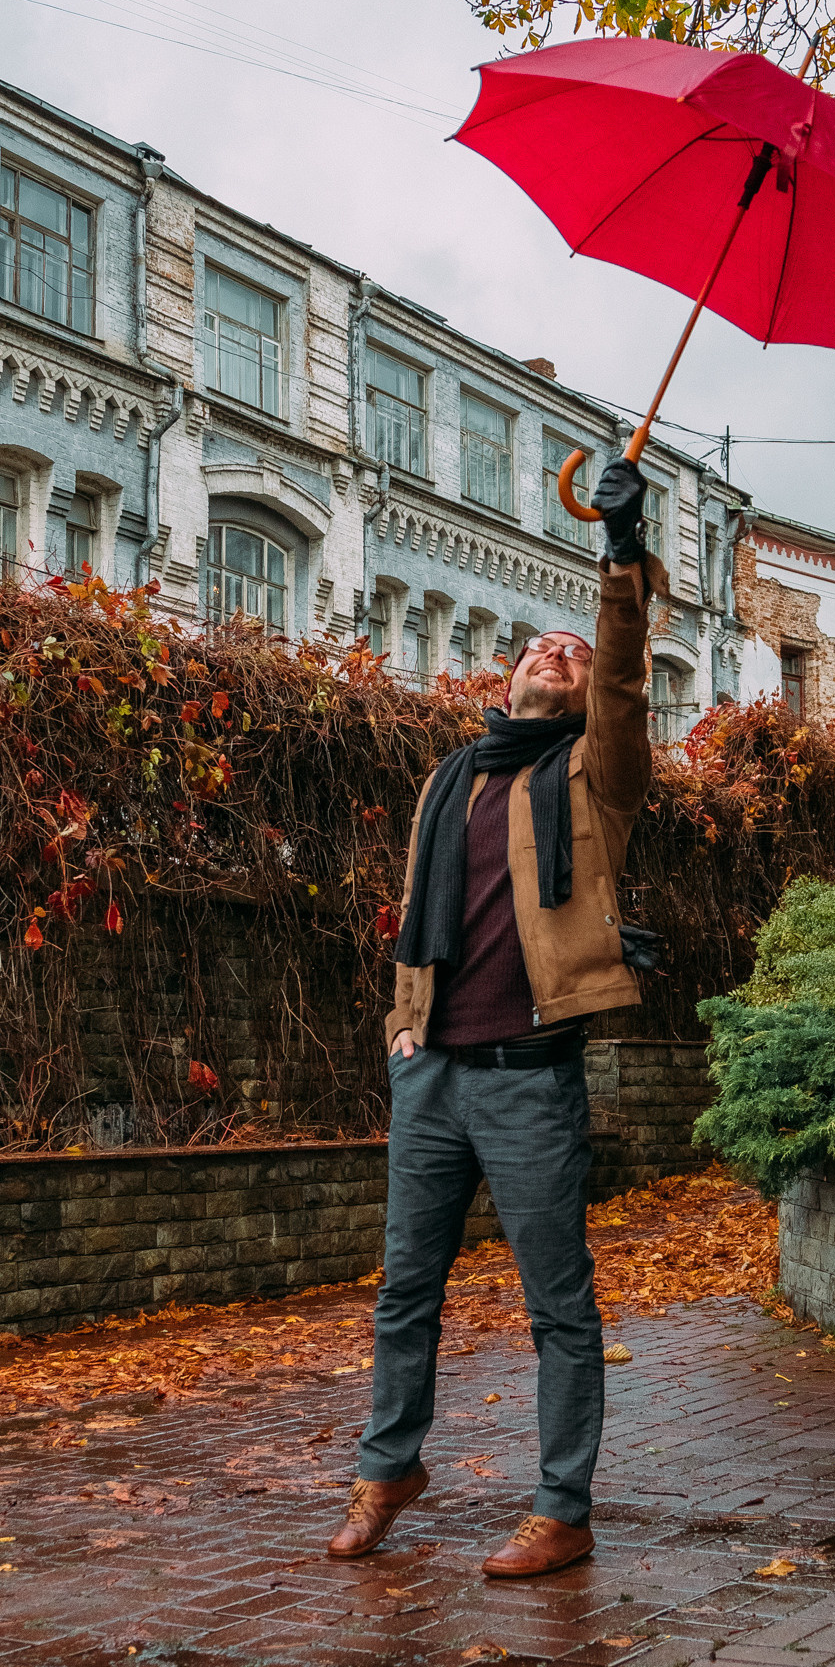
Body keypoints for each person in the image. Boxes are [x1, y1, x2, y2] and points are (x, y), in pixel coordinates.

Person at [329, 457, 662, 1578]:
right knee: (404, 1287)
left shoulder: (593, 779)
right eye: (539, 649)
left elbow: (622, 687)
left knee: (555, 1302)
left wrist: (620, 557)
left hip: (527, 1076)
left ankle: (561, 1508)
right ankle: (388, 1469)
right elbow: (423, 916)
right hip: (431, 1074)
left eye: (568, 656)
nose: (554, 659)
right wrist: (400, 1023)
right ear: (509, 673)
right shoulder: (454, 777)